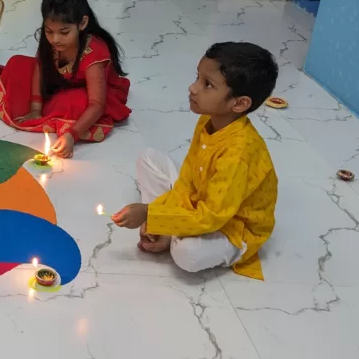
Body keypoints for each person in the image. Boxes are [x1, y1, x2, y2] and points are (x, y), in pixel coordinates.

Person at [112, 42, 280, 281]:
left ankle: (175, 235)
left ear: (240, 103)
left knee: (187, 255)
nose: (193, 88)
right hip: (203, 202)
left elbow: (212, 217)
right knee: (148, 158)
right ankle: (170, 229)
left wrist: (152, 215)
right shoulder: (209, 119)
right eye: (197, 78)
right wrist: (159, 217)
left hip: (231, 226)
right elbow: (187, 180)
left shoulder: (239, 152)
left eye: (207, 84)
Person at [0, 0, 129, 157]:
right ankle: (48, 109)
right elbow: (40, 67)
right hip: (58, 84)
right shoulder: (51, 40)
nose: (55, 39)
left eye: (64, 32)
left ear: (82, 23)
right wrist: (35, 109)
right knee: (17, 64)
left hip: (92, 94)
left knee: (74, 103)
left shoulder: (94, 53)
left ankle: (59, 112)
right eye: (49, 32)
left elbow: (97, 105)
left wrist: (72, 135)